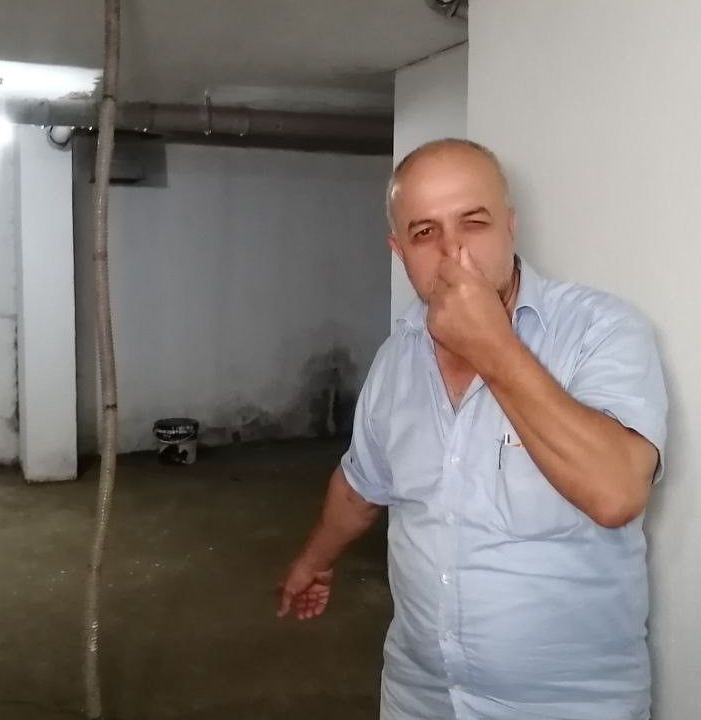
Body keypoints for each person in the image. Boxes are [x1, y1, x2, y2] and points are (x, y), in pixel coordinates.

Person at [276, 138, 669, 720]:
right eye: (424, 233)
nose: (453, 251)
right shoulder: (396, 357)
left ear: (510, 226)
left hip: (565, 707)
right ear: (399, 250)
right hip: (419, 696)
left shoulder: (601, 330)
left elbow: (617, 493)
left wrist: (493, 346)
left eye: (474, 223)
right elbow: (361, 486)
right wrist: (316, 560)